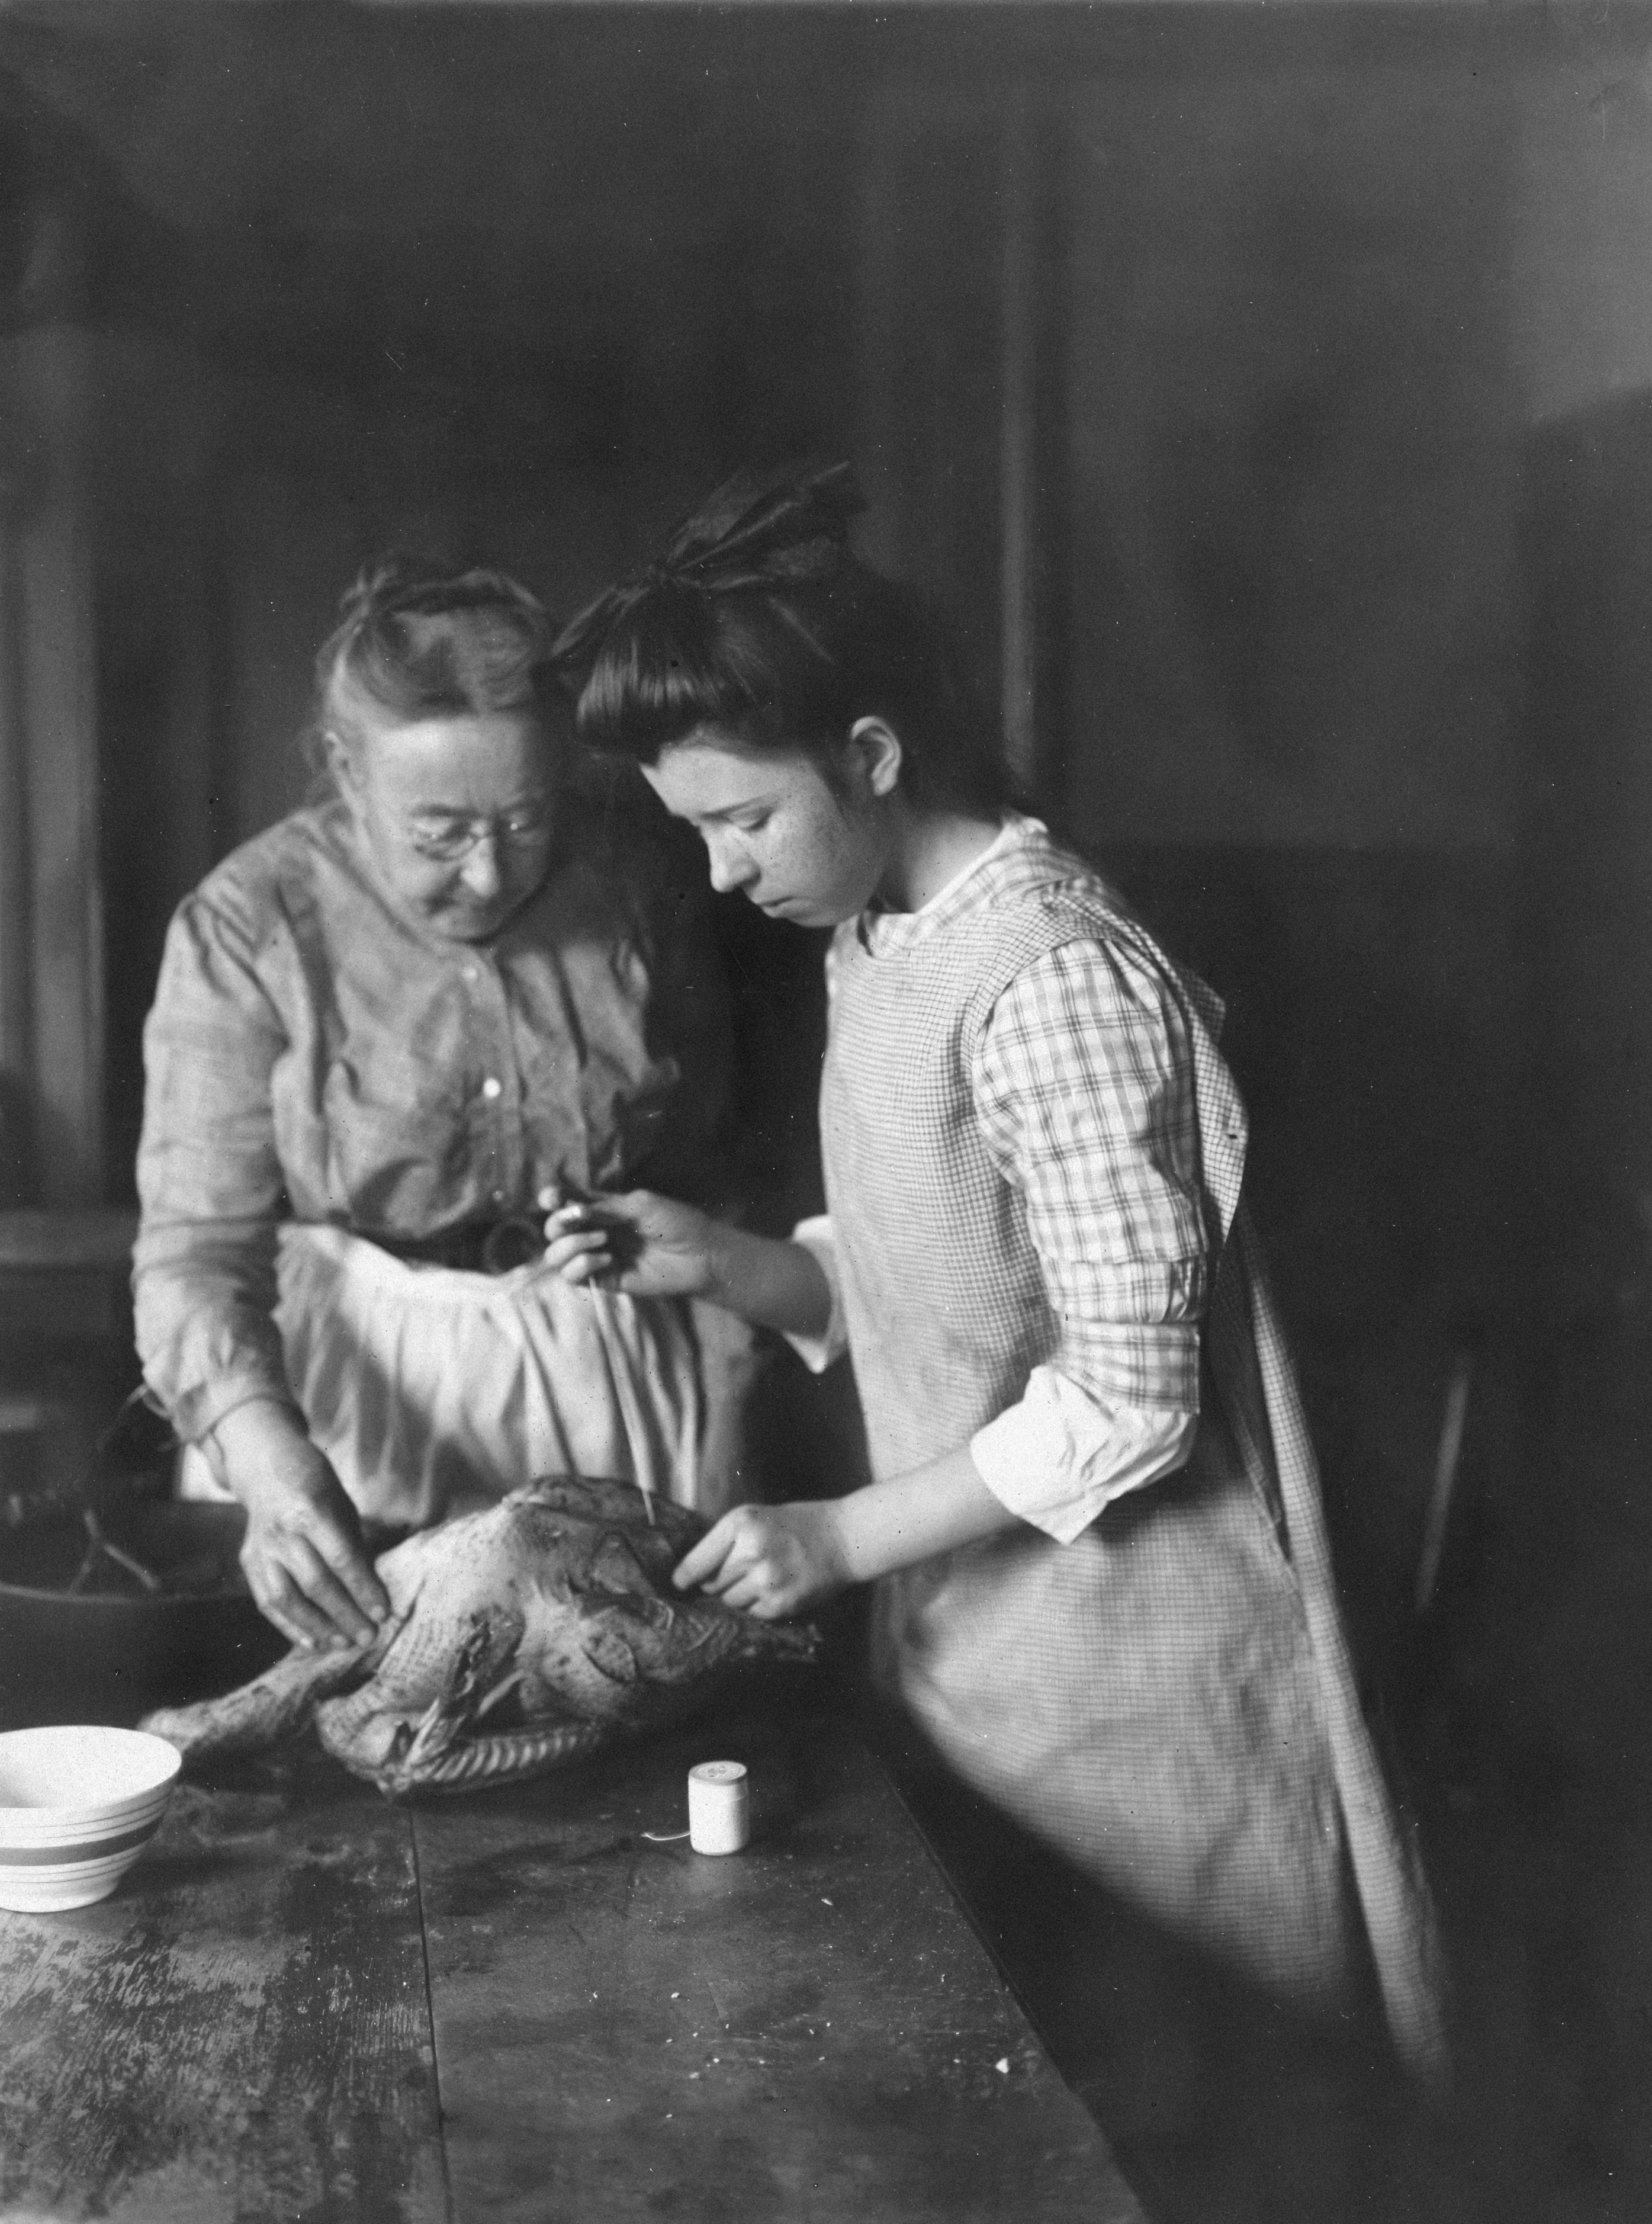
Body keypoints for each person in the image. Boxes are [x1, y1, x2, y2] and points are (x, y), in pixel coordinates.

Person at [544, 464, 1447, 2080]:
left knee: (1194, 2136)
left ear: (871, 755)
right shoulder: (879, 938)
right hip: (988, 1677)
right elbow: (936, 1287)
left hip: (1152, 1708)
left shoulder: (1050, 979)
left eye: (740, 819)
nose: (717, 875)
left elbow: (1123, 1398)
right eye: (693, 832)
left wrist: (837, 1536)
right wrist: (731, 1265)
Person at [134, 556, 746, 1656]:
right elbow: (193, 1250)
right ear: (344, 768)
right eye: (440, 835)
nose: (488, 873)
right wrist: (266, 1464)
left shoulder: (644, 878)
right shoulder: (251, 921)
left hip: (608, 1376)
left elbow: (720, 1179)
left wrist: (730, 1435)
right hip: (344, 1404)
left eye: (524, 820)